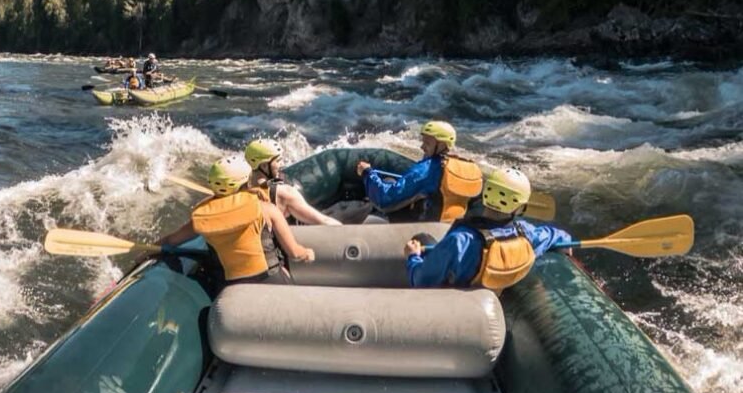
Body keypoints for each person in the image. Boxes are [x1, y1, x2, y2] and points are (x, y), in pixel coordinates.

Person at [403, 168, 573, 292]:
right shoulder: (527, 234)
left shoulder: (460, 240)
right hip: (497, 298)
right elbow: (552, 235)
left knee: (423, 239)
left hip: (456, 305)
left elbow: (422, 280)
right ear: (520, 208)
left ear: (485, 194)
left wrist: (413, 257)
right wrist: (564, 240)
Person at [157, 155, 315, 284]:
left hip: (232, 286)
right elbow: (294, 252)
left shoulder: (203, 218)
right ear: (247, 181)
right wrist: (307, 253)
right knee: (286, 274)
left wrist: (148, 250)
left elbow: (171, 240)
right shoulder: (266, 209)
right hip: (270, 279)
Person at [355, 120, 483, 222]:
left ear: (442, 144)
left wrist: (368, 173)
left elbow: (386, 198)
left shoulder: (427, 169)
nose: (422, 147)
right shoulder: (470, 168)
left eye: (427, 143)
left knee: (387, 185)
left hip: (425, 229)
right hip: (452, 228)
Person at [244, 139, 342, 226]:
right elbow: (323, 221)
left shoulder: (239, 189)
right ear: (264, 166)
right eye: (278, 161)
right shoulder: (284, 193)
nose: (281, 164)